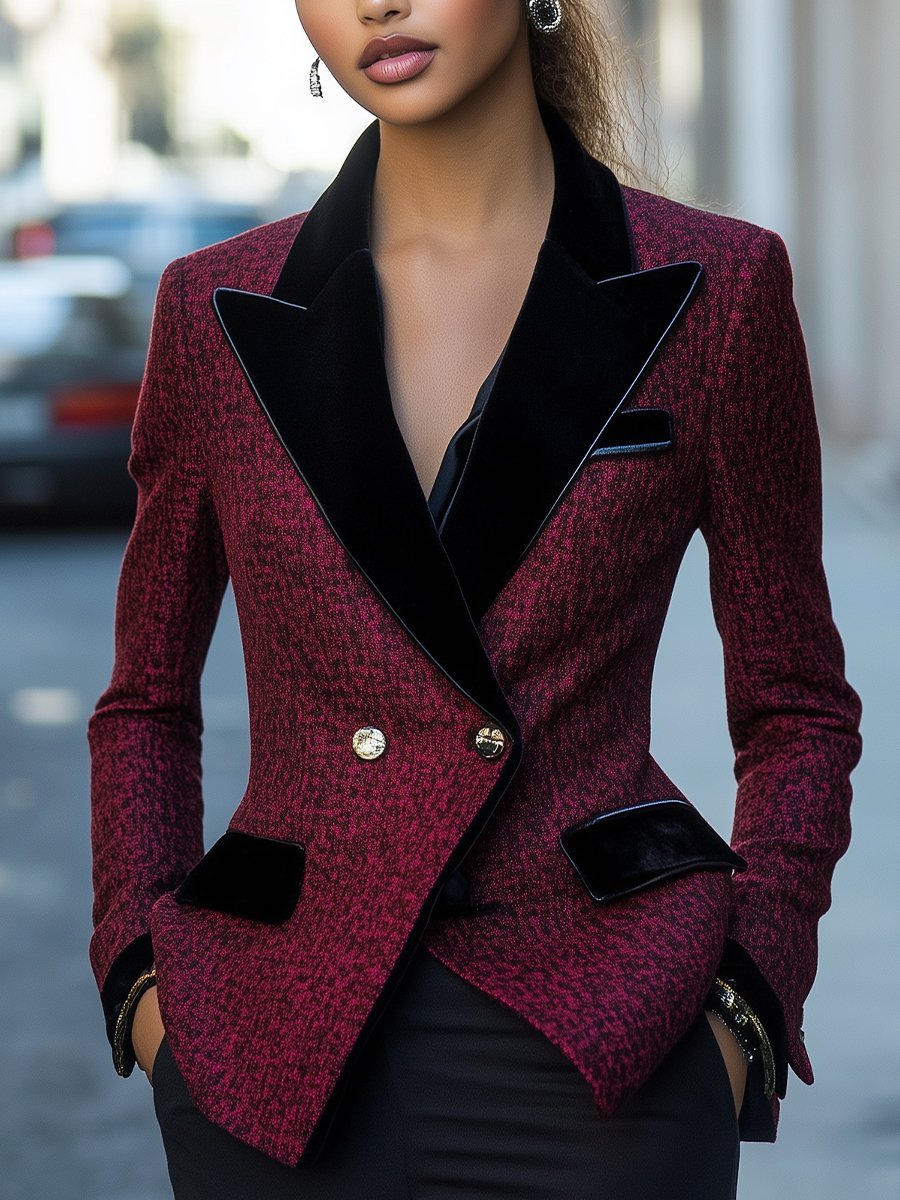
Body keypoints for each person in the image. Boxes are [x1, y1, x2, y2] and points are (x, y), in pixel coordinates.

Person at [87, 1, 863, 1197]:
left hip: (606, 1041)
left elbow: (799, 704)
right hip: (272, 1047)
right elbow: (145, 698)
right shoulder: (215, 309)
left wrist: (746, 1000)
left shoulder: (718, 287)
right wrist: (142, 981)